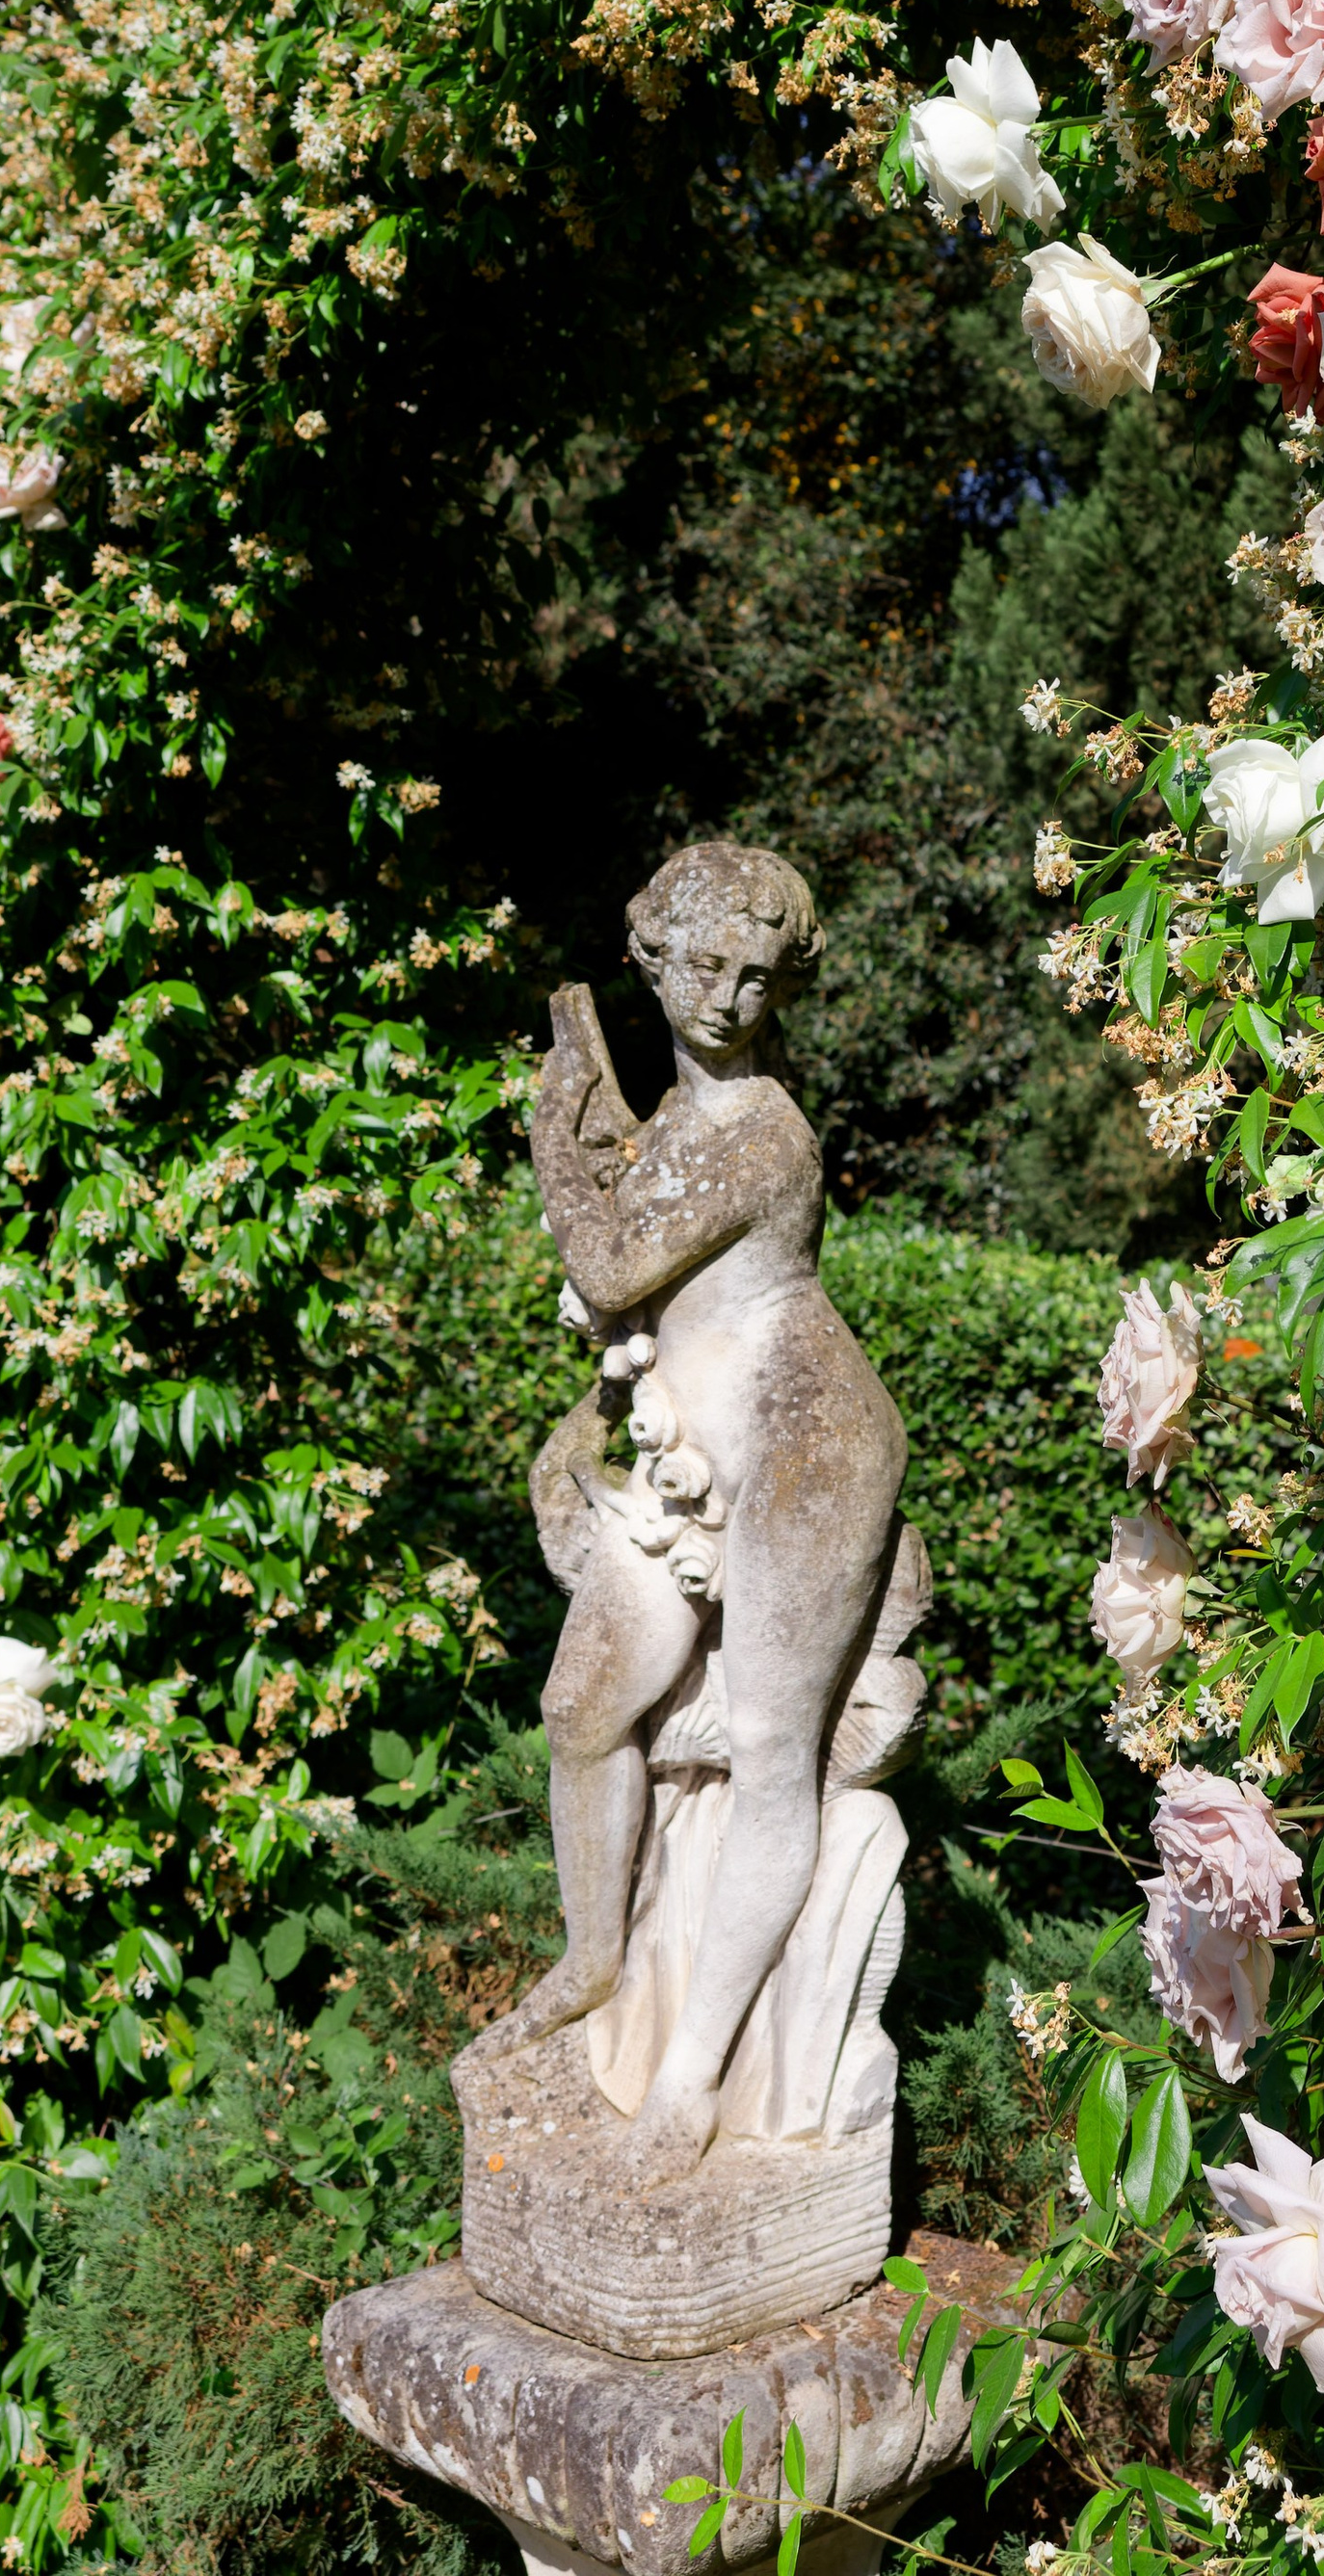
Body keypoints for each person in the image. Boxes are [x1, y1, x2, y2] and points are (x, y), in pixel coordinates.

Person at [476, 840, 907, 2191]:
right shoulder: (677, 1122)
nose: (727, 1000)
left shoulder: (763, 1131)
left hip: (804, 1448)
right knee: (586, 1707)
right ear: (654, 960)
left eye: (759, 979)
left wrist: (556, 1119)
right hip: (684, 1449)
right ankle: (596, 1956)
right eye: (706, 968)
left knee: (776, 1750)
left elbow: (605, 1261)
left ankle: (693, 2074)